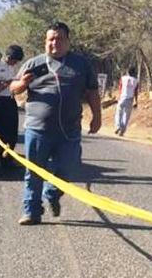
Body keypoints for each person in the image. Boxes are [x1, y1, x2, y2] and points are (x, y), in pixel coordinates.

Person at [9, 22, 101, 225]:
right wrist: (23, 83)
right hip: (38, 129)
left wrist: (97, 116)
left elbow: (92, 91)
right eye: (51, 39)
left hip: (69, 130)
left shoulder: (81, 64)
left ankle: (51, 193)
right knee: (33, 172)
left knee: (68, 168)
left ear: (68, 42)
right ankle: (31, 211)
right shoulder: (34, 64)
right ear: (45, 42)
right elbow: (13, 88)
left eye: (59, 39)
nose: (54, 43)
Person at [0, 45, 25, 165]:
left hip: (10, 99)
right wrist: (3, 83)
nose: (15, 63)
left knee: (12, 131)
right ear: (8, 57)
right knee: (1, 131)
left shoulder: (11, 67)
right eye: (14, 60)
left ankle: (9, 157)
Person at [114, 67, 139, 136]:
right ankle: (122, 130)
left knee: (118, 113)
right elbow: (136, 92)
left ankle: (118, 126)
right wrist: (136, 101)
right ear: (134, 73)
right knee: (126, 116)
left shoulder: (123, 78)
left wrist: (119, 96)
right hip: (130, 99)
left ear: (128, 72)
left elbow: (120, 88)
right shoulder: (136, 80)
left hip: (122, 97)